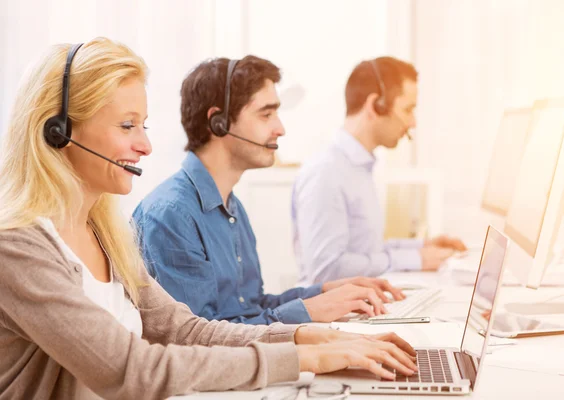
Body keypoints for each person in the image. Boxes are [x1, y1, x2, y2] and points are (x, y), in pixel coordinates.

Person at [0, 39, 418, 399]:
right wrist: (301, 355)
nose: (145, 145)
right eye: (127, 126)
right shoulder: (18, 247)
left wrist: (308, 336)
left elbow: (187, 330)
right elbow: (131, 369)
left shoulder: (104, 232)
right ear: (57, 130)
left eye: (143, 125)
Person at [132, 56, 406, 326]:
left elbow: (250, 308)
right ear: (219, 122)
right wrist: (308, 311)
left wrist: (324, 293)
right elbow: (201, 340)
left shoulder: (231, 207)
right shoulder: (171, 215)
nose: (280, 129)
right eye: (266, 114)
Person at [292, 57, 467, 285]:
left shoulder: (356, 168)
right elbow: (326, 270)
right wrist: (416, 259)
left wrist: (422, 247)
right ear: (376, 105)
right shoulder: (326, 173)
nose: (412, 122)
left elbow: (365, 249)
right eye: (407, 109)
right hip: (335, 316)